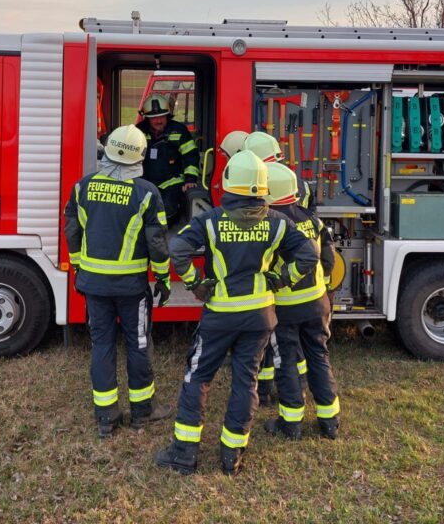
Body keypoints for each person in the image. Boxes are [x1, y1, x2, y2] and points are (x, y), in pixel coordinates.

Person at [155, 150, 319, 476]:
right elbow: (309, 255)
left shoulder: (210, 220)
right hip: (260, 317)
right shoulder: (277, 222)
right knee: (246, 382)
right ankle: (232, 455)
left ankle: (184, 453)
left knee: (198, 378)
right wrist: (281, 279)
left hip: (220, 315)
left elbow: (178, 248)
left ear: (229, 182)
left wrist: (195, 284)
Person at [64, 125, 174, 438]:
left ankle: (106, 416)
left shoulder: (82, 187)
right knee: (138, 344)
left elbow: (72, 231)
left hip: (93, 284)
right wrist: (163, 278)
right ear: (140, 155)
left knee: (102, 344)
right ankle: (143, 412)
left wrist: (78, 268)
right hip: (131, 287)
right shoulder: (146, 193)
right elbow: (157, 243)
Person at [262, 164, 340, 441]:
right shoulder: (313, 219)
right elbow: (328, 260)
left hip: (285, 307)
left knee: (286, 362)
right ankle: (329, 421)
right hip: (317, 304)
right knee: (319, 356)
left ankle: (291, 423)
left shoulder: (270, 223)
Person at [244, 130, 311, 405]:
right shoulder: (294, 180)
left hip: (276, 280)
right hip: (301, 278)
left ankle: (265, 390)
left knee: (273, 342)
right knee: (291, 343)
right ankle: (301, 383)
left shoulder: (265, 183)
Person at [136, 94, 200, 223]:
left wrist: (190, 179)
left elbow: (191, 156)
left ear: (168, 115)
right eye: (154, 118)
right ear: (146, 118)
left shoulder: (179, 130)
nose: (159, 121)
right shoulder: (138, 132)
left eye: (162, 116)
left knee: (167, 208)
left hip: (172, 182)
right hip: (144, 182)